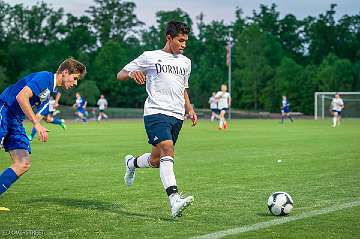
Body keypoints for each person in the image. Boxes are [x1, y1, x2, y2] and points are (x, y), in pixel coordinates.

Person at [117, 20, 197, 218]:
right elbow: (121, 74)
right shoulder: (150, 56)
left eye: (186, 41)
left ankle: (131, 164)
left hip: (177, 116)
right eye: (180, 40)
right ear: (169, 38)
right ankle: (174, 200)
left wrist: (189, 108)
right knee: (168, 149)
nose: (184, 45)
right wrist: (133, 73)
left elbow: (183, 88)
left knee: (156, 159)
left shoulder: (186, 62)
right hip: (155, 112)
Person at [0, 58, 86, 210]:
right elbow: (21, 96)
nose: (75, 83)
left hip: (15, 120)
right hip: (4, 110)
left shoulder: (50, 89)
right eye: (74, 78)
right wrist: (36, 123)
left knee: (23, 163)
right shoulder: (45, 77)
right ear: (65, 72)